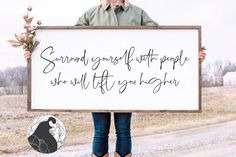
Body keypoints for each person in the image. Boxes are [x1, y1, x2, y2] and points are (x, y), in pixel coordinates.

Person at [24, 0, 206, 157]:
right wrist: (35, 53)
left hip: (127, 85)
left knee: (124, 131)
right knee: (100, 132)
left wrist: (191, 52)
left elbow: (164, 40)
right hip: (96, 84)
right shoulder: (91, 15)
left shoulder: (137, 13)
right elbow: (68, 42)